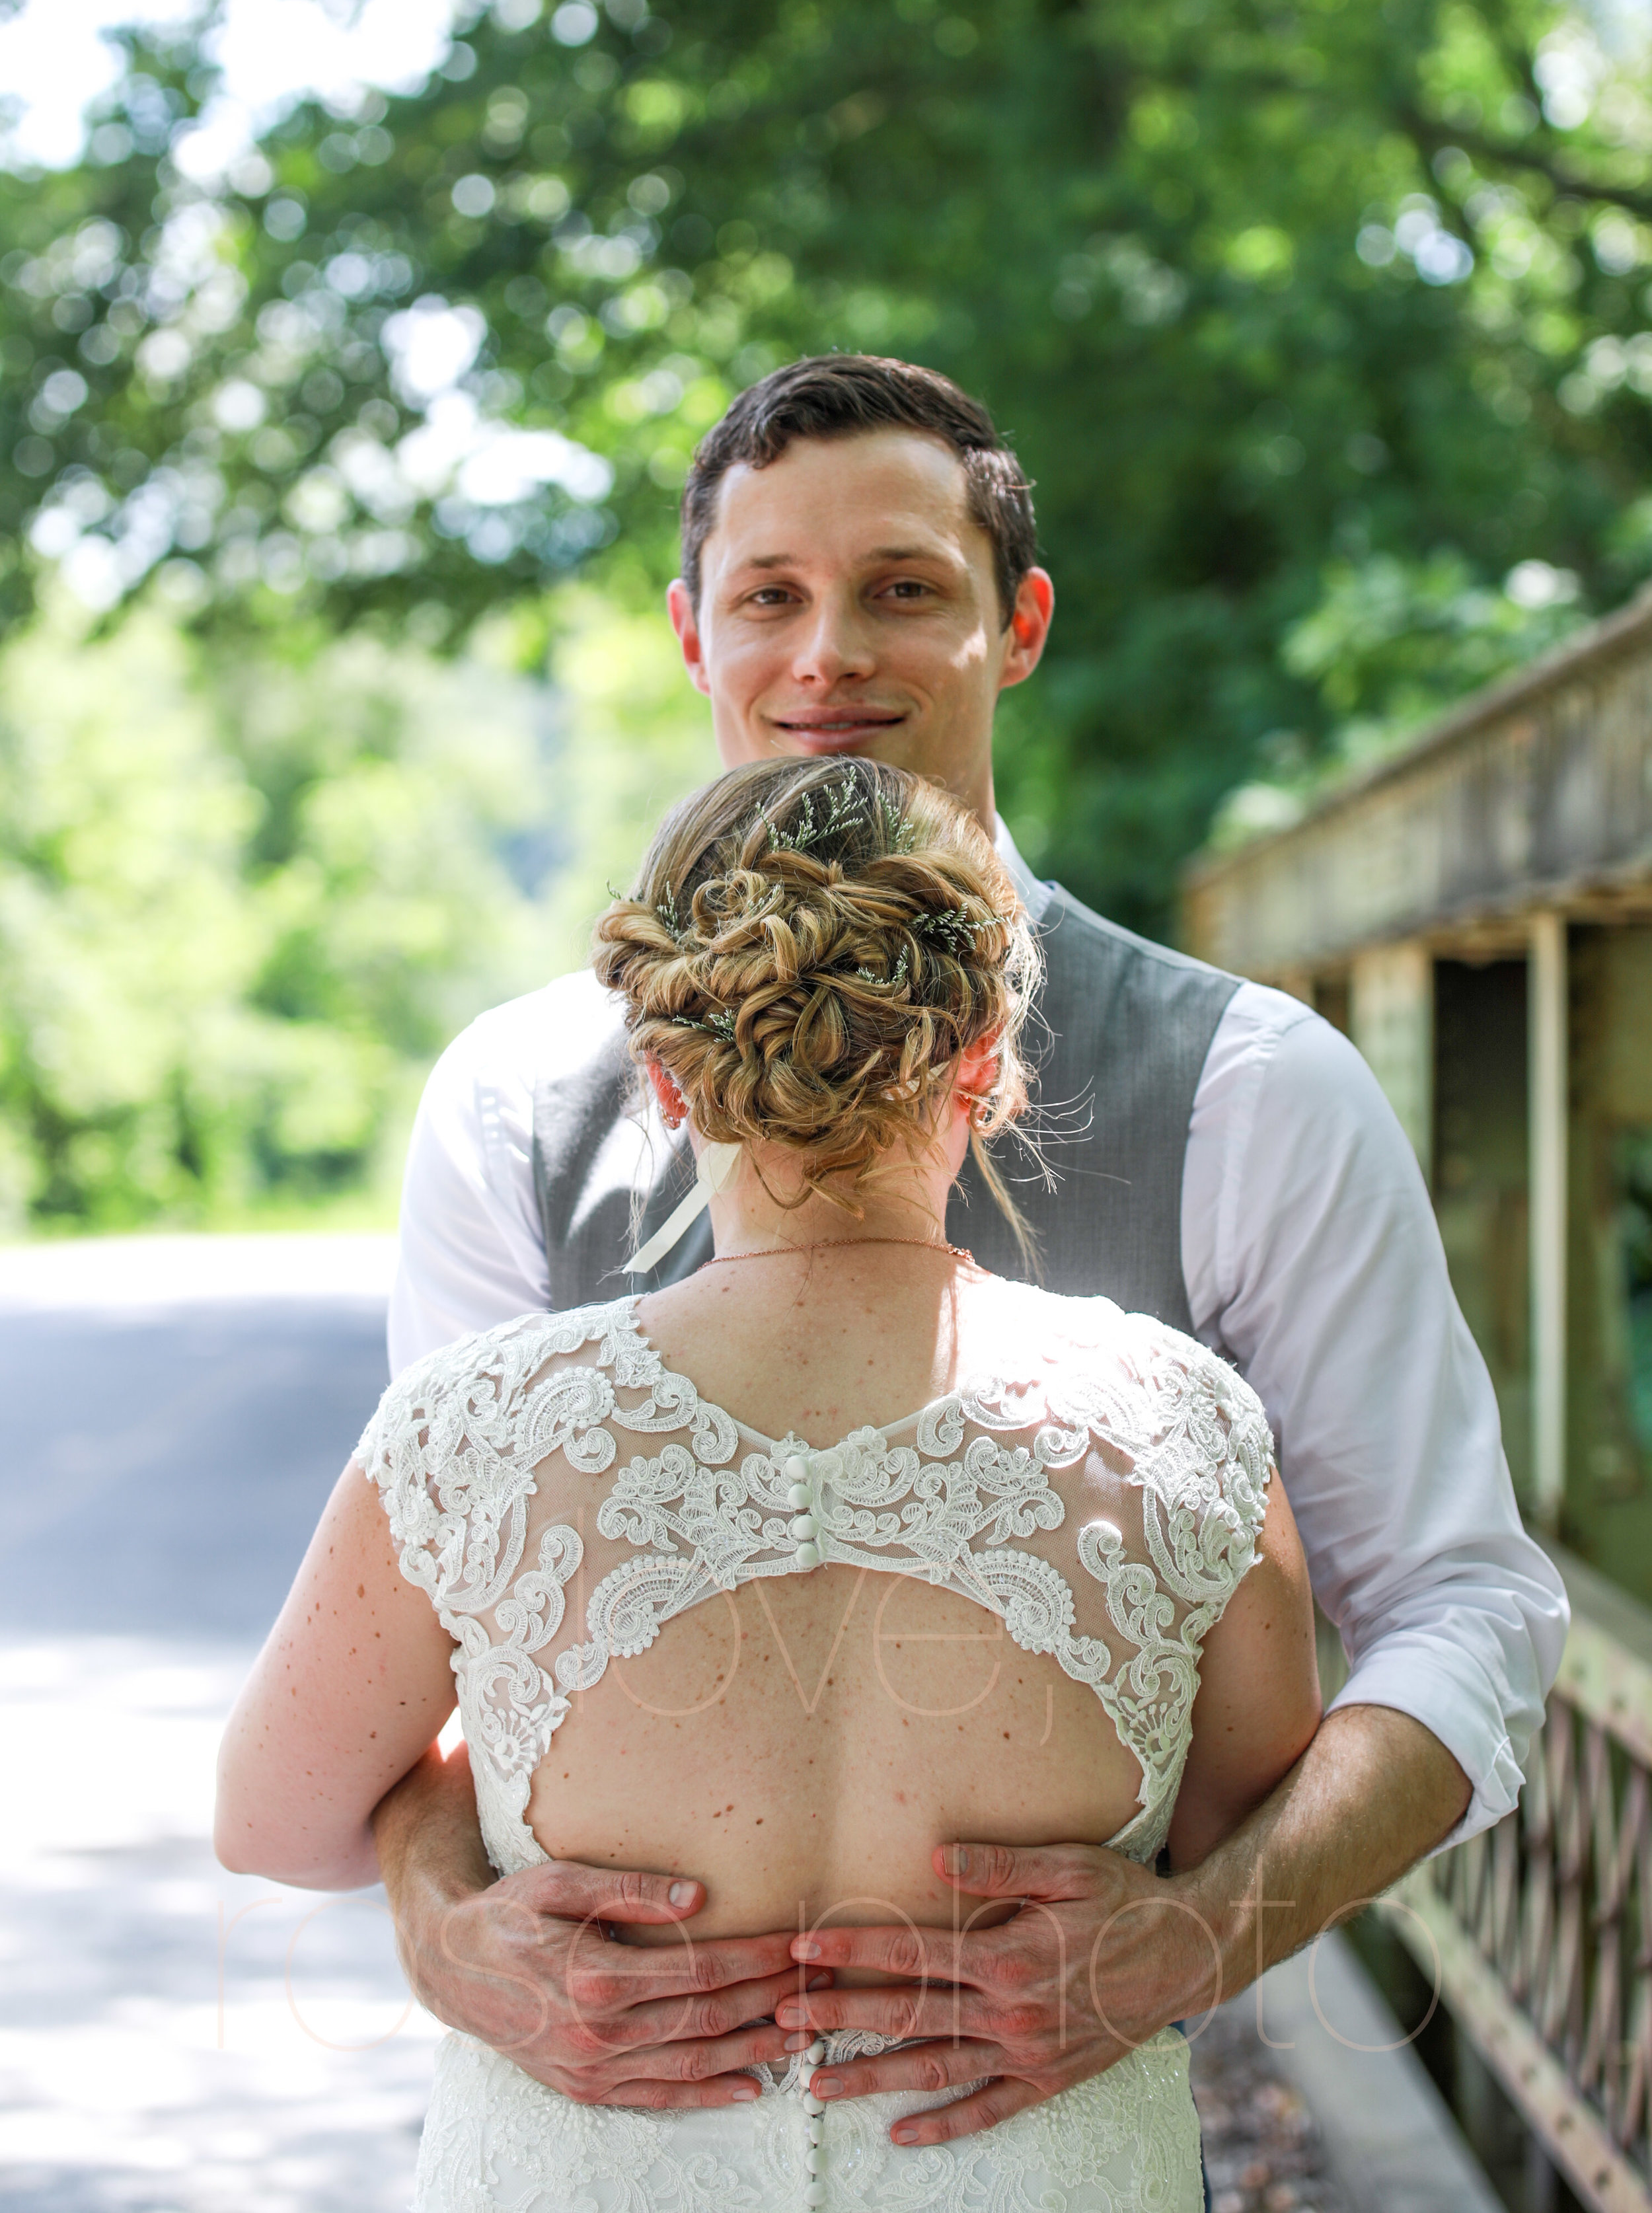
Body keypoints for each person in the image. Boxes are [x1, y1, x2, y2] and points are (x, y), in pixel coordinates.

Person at [371, 355, 1566, 2149]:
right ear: (691, 632)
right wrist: (442, 1936)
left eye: (901, 589)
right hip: (604, 2143)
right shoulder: (509, 1104)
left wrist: (1191, 1938)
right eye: (768, 594)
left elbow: (1466, 1607)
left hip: (1034, 2140)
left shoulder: (1251, 1089)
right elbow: (414, 1659)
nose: (826, 652)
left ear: (1015, 624)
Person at [217, 755, 1324, 2212]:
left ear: (666, 1076)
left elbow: (274, 1821)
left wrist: (446, 1855)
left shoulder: (469, 1430)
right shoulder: (1182, 1426)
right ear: (986, 1056)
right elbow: (1248, 1827)